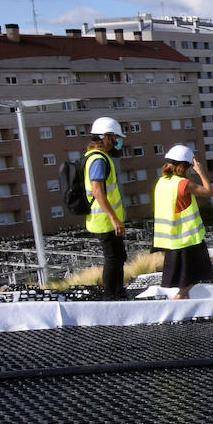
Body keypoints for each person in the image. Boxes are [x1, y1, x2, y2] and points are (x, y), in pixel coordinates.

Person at [153, 145, 213, 300]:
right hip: (189, 237)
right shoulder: (183, 184)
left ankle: (183, 300)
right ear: (183, 166)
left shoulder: (161, 182)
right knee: (198, 272)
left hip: (171, 239)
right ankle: (180, 297)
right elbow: (209, 191)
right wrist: (200, 171)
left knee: (183, 276)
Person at [84, 116, 128, 299]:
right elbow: (97, 191)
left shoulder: (99, 157)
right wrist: (114, 218)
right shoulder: (98, 160)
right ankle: (111, 296)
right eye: (116, 138)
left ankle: (118, 292)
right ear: (107, 137)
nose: (118, 142)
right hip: (104, 220)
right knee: (112, 258)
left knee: (119, 257)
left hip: (107, 220)